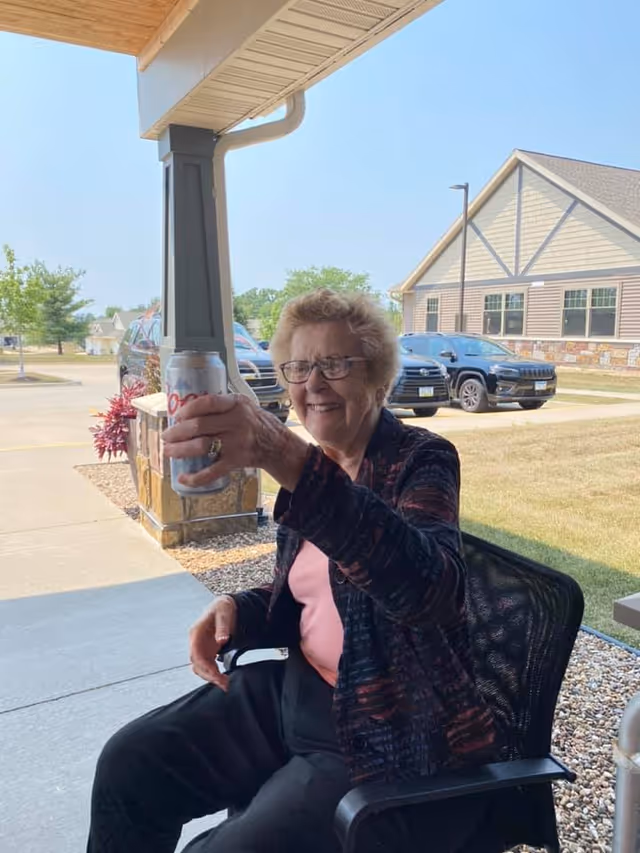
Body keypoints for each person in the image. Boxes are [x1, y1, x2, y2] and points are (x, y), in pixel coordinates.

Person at [87, 289, 497, 853]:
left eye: (335, 364)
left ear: (377, 378)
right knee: (130, 765)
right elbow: (315, 590)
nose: (314, 384)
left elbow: (428, 591)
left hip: (383, 730)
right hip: (296, 697)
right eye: (300, 367)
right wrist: (242, 609)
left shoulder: (419, 460)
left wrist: (286, 457)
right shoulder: (321, 465)